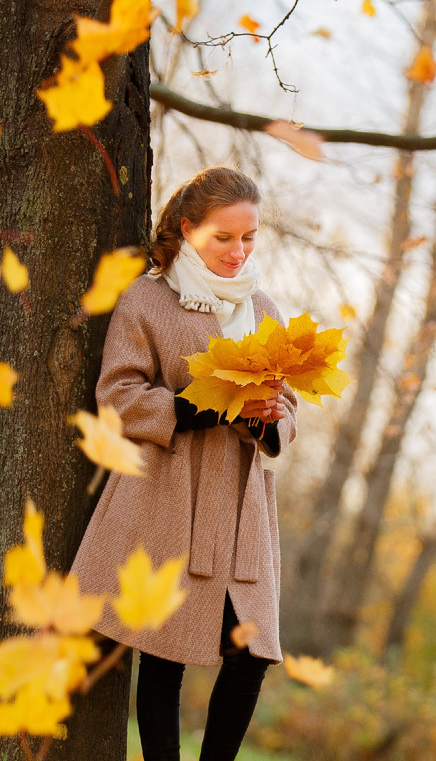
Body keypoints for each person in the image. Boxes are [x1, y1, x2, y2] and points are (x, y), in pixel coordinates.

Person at [70, 167, 297, 761]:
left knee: (251, 656)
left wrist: (270, 414)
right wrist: (203, 404)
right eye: (224, 237)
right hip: (168, 499)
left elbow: (288, 411)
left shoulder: (263, 308)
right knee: (164, 651)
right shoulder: (148, 299)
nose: (238, 251)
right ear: (188, 228)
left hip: (242, 511)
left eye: (248, 237)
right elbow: (117, 398)